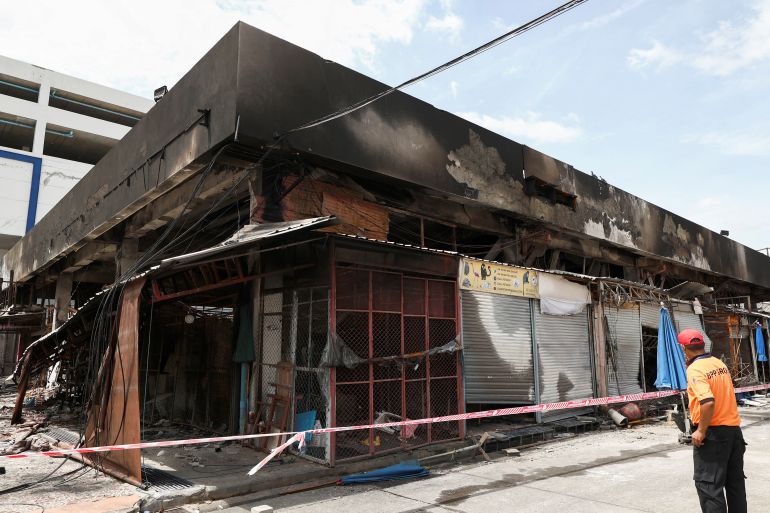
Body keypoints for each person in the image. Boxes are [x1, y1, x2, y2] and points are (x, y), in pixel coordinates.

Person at [678, 328, 746, 513]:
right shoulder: (718, 363)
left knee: (709, 486)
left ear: (684, 348)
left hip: (714, 434)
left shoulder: (696, 369)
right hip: (733, 432)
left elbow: (707, 402)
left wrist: (700, 430)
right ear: (702, 345)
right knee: (735, 484)